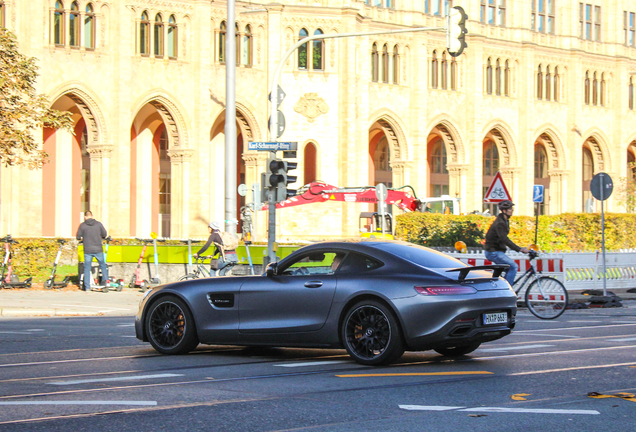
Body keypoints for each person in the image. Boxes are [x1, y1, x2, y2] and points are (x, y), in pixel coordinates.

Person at [483, 200, 529, 286]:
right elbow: (504, 239)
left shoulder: (505, 220)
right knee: (513, 267)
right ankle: (507, 291)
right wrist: (520, 249)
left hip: (496, 251)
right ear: (504, 211)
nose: (512, 210)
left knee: (507, 269)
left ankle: (499, 287)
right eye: (510, 209)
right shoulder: (500, 223)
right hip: (493, 252)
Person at [76, 210, 108, 291]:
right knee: (102, 265)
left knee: (87, 268)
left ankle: (87, 287)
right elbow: (104, 234)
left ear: (85, 217)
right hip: (98, 249)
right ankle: (105, 282)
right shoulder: (98, 224)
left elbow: (78, 237)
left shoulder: (82, 226)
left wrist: (82, 238)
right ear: (92, 215)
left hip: (87, 250)